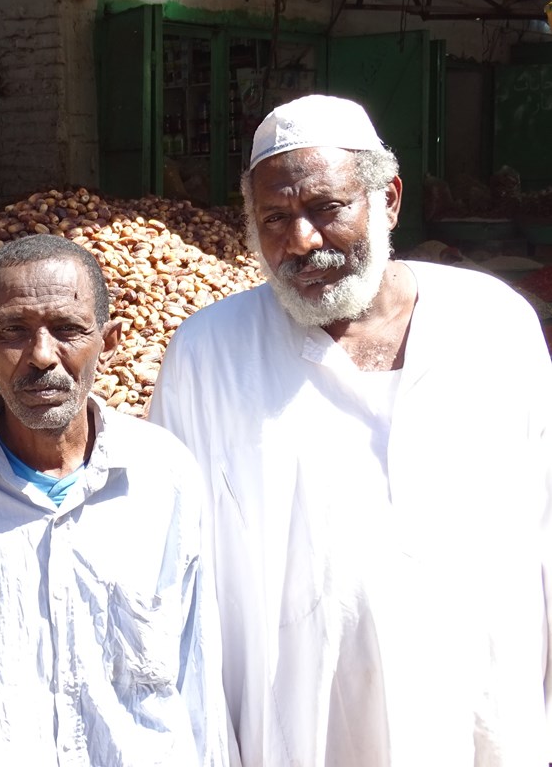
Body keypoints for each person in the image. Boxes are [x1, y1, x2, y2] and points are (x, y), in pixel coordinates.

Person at [148, 93, 552, 766]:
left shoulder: (494, 325)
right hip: (300, 731)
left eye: (325, 209)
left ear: (388, 199)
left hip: (479, 720)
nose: (300, 242)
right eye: (274, 218)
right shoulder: (208, 354)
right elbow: (177, 576)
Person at [0, 234, 236, 766]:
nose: (41, 356)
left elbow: (196, 677)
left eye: (68, 330)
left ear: (108, 340)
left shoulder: (165, 477)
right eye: (14, 332)